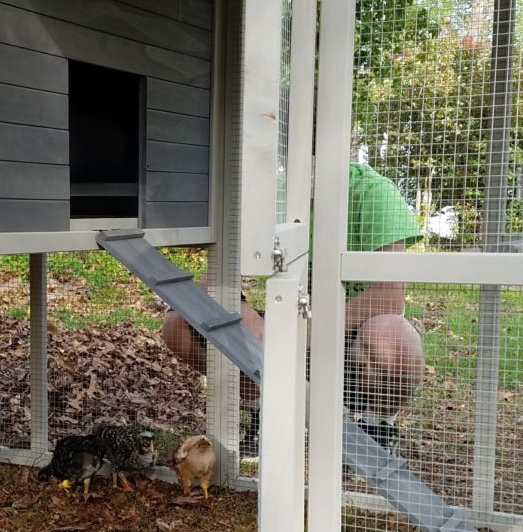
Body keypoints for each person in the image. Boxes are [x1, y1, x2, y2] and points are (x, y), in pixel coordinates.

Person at [161, 161, 425, 454]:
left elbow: (389, 295)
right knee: (178, 325)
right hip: (281, 333)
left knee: (393, 337)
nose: (312, 164)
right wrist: (242, 308)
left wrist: (300, 330)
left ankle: (376, 428)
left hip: (348, 341)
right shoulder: (269, 193)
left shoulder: (374, 193)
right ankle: (262, 409)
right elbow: (211, 281)